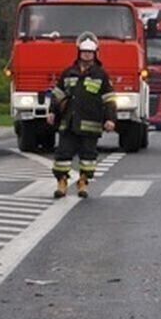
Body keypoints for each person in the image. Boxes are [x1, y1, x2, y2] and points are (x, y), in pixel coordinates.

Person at [47, 32, 116, 198]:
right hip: (68, 122)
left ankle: (83, 182)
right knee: (63, 154)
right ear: (79, 52)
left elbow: (109, 99)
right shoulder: (68, 72)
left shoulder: (101, 75)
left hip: (91, 123)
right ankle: (61, 183)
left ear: (95, 54)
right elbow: (58, 94)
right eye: (84, 52)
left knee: (88, 156)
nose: (87, 55)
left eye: (90, 52)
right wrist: (51, 112)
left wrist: (110, 119)